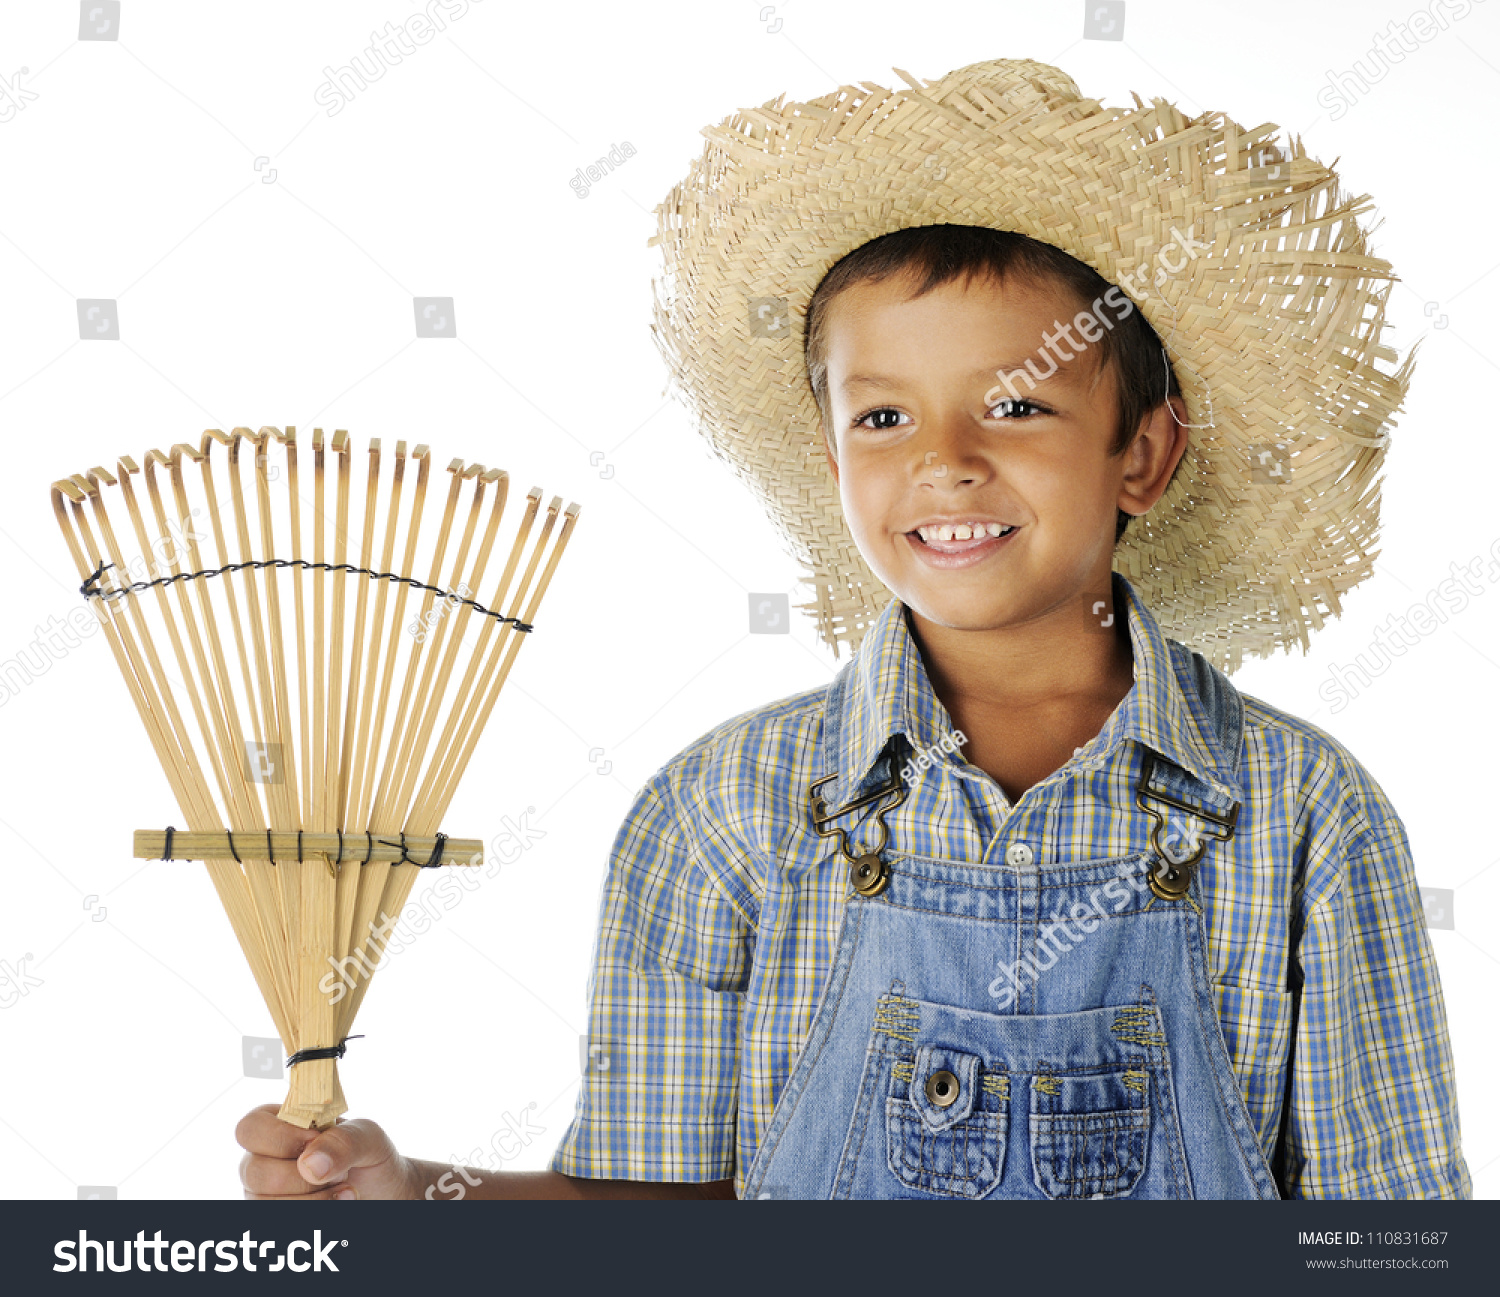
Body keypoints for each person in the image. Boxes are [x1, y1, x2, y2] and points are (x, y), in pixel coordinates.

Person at [237, 57, 1470, 1200]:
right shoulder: (724, 811)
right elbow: (648, 1219)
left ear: (1141, 453)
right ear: (831, 457)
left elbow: (1396, 1234)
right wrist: (409, 1199)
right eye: (884, 420)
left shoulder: (1305, 817)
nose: (947, 462)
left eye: (1017, 403)